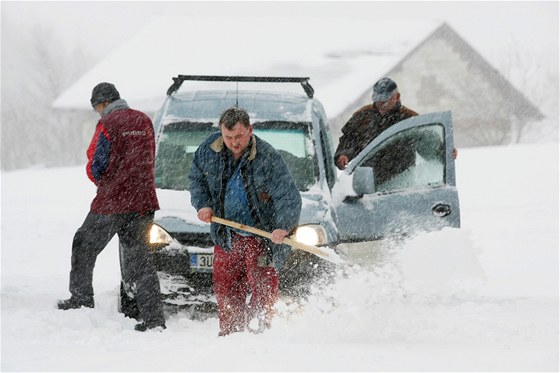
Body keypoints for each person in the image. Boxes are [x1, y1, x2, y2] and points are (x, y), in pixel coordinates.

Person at [57, 82, 166, 332]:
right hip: (143, 202)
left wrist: (105, 182)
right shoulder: (144, 120)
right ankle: (153, 320)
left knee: (83, 244)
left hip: (113, 201)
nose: (99, 112)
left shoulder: (108, 123)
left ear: (102, 103)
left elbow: (97, 162)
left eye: (97, 108)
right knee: (141, 261)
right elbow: (150, 157)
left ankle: (80, 300)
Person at [189, 107, 302, 336]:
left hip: (259, 237)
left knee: (262, 287)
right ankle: (231, 335)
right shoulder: (209, 149)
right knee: (227, 290)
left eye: (239, 136)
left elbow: (287, 196)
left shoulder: (267, 156)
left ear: (250, 130)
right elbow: (196, 177)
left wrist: (282, 226)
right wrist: (203, 204)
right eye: (228, 137)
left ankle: (258, 334)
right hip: (226, 235)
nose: (234, 143)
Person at [334, 77, 457, 174]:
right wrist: (343, 154)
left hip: (399, 183)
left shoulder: (410, 119)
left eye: (384, 101)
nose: (380, 105)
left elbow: (426, 143)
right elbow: (349, 137)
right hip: (366, 184)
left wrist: (444, 152)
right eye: (377, 101)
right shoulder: (363, 116)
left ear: (397, 97)